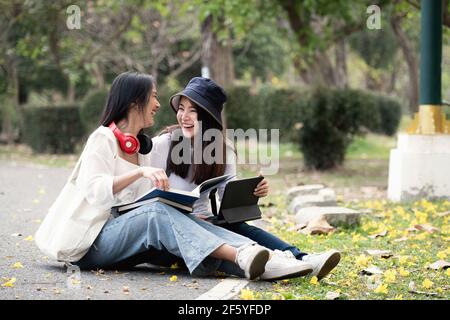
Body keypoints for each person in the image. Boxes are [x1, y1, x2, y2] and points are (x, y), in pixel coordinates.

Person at [52, 71, 310, 281]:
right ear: (133, 103)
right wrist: (141, 173)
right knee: (158, 213)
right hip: (90, 243)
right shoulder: (103, 139)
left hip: (134, 241)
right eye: (153, 97)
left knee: (199, 230)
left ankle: (273, 262)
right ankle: (245, 254)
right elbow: (95, 192)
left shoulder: (142, 147)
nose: (158, 105)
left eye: (192, 110)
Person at [149, 77, 341, 280]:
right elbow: (146, 202)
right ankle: (279, 263)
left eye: (192, 111)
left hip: (208, 223)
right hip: (173, 231)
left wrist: (252, 192)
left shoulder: (223, 150)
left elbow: (229, 202)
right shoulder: (163, 144)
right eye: (181, 108)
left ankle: (303, 258)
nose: (183, 116)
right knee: (217, 235)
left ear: (207, 117)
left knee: (237, 227)